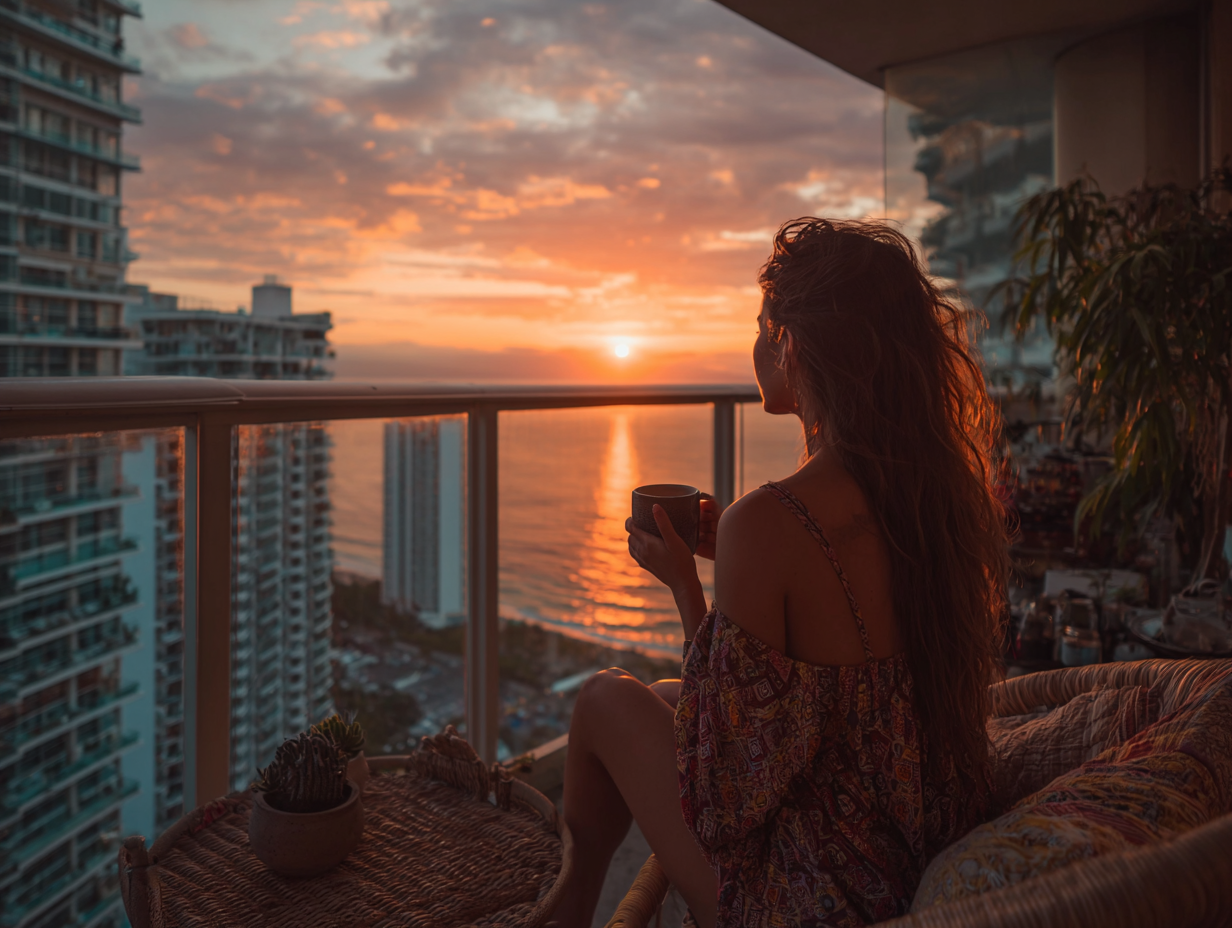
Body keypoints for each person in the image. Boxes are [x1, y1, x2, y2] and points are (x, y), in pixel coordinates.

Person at [553, 218, 1009, 928]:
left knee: (604, 699)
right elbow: (797, 701)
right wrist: (729, 570)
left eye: (765, 325)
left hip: (809, 895)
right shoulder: (932, 498)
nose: (758, 343)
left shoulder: (768, 521)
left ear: (791, 342)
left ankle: (573, 895)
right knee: (672, 692)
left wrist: (685, 584)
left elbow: (724, 792)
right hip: (904, 844)